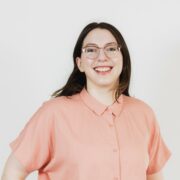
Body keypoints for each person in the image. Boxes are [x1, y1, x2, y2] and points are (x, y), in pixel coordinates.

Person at [2, 22, 171, 180]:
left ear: (123, 59)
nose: (102, 57)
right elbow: (14, 170)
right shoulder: (54, 114)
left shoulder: (144, 114)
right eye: (91, 50)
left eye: (111, 49)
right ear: (80, 63)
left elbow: (154, 174)